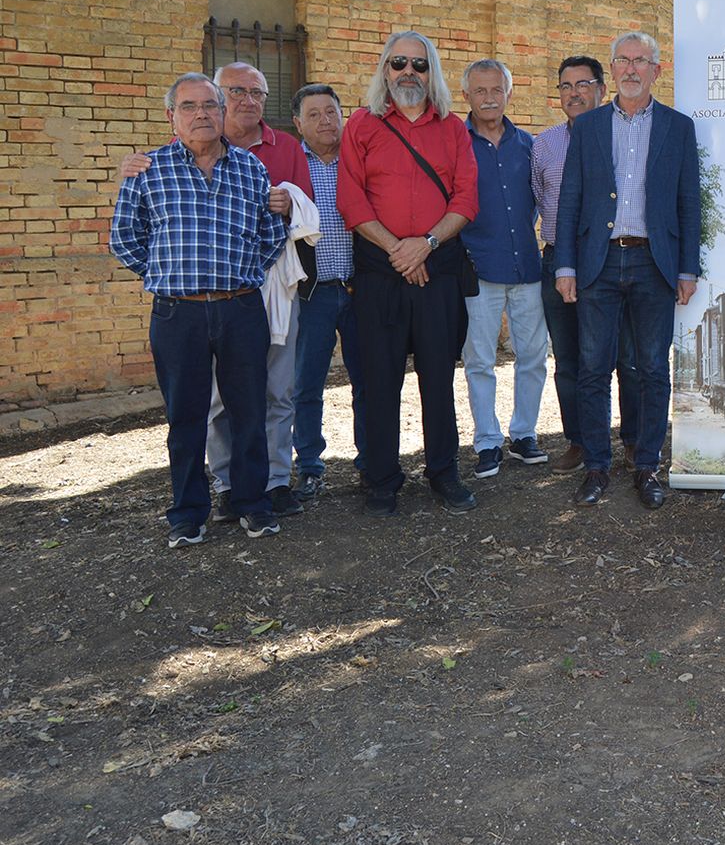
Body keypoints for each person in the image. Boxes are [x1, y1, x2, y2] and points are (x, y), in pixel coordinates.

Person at [119, 62, 310, 518]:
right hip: (177, 311)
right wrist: (168, 276)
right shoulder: (148, 170)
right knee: (186, 417)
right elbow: (125, 238)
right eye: (189, 106)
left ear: (221, 112)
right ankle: (188, 513)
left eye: (209, 105)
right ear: (172, 116)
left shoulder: (249, 168)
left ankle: (252, 502)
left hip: (240, 307)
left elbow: (271, 235)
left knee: (249, 411)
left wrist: (242, 275)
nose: (201, 113)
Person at [554, 31, 700, 510]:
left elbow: (688, 202)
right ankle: (596, 467)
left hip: (653, 262)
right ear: (612, 70)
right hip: (598, 261)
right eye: (623, 60)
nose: (632, 69)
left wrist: (687, 268)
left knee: (653, 369)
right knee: (594, 368)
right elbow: (570, 199)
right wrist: (566, 265)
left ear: (656, 70)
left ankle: (647, 466)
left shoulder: (678, 128)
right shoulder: (589, 127)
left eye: (641, 61)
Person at [337, 29, 479, 517]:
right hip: (380, 271)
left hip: (437, 269)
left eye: (419, 64)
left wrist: (425, 245)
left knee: (438, 379)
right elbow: (350, 198)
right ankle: (381, 478)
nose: (408, 73)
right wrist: (399, 250)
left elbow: (467, 198)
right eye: (399, 63)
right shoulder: (362, 124)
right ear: (385, 69)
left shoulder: (453, 128)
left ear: (431, 71)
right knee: (379, 381)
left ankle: (443, 473)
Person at [531, 55, 642, 474]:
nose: (574, 93)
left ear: (601, 89)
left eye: (583, 84)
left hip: (610, 259)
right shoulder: (544, 144)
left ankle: (632, 439)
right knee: (569, 359)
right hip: (558, 258)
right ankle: (579, 441)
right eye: (565, 86)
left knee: (626, 354)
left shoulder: (621, 137)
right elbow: (541, 199)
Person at [459, 58, 550, 478]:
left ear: (509, 94)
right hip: (477, 267)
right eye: (480, 91)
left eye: (496, 90)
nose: (489, 98)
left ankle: (524, 434)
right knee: (479, 360)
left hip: (526, 267)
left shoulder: (529, 145)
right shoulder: (456, 145)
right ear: (466, 96)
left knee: (532, 356)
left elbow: (542, 197)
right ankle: (487, 441)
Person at [288, 83, 367, 500]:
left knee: (367, 380)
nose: (325, 121)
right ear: (298, 123)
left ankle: (370, 461)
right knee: (307, 383)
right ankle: (310, 465)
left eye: (331, 112)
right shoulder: (291, 166)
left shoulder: (358, 160)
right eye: (314, 114)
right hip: (312, 293)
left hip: (359, 289)